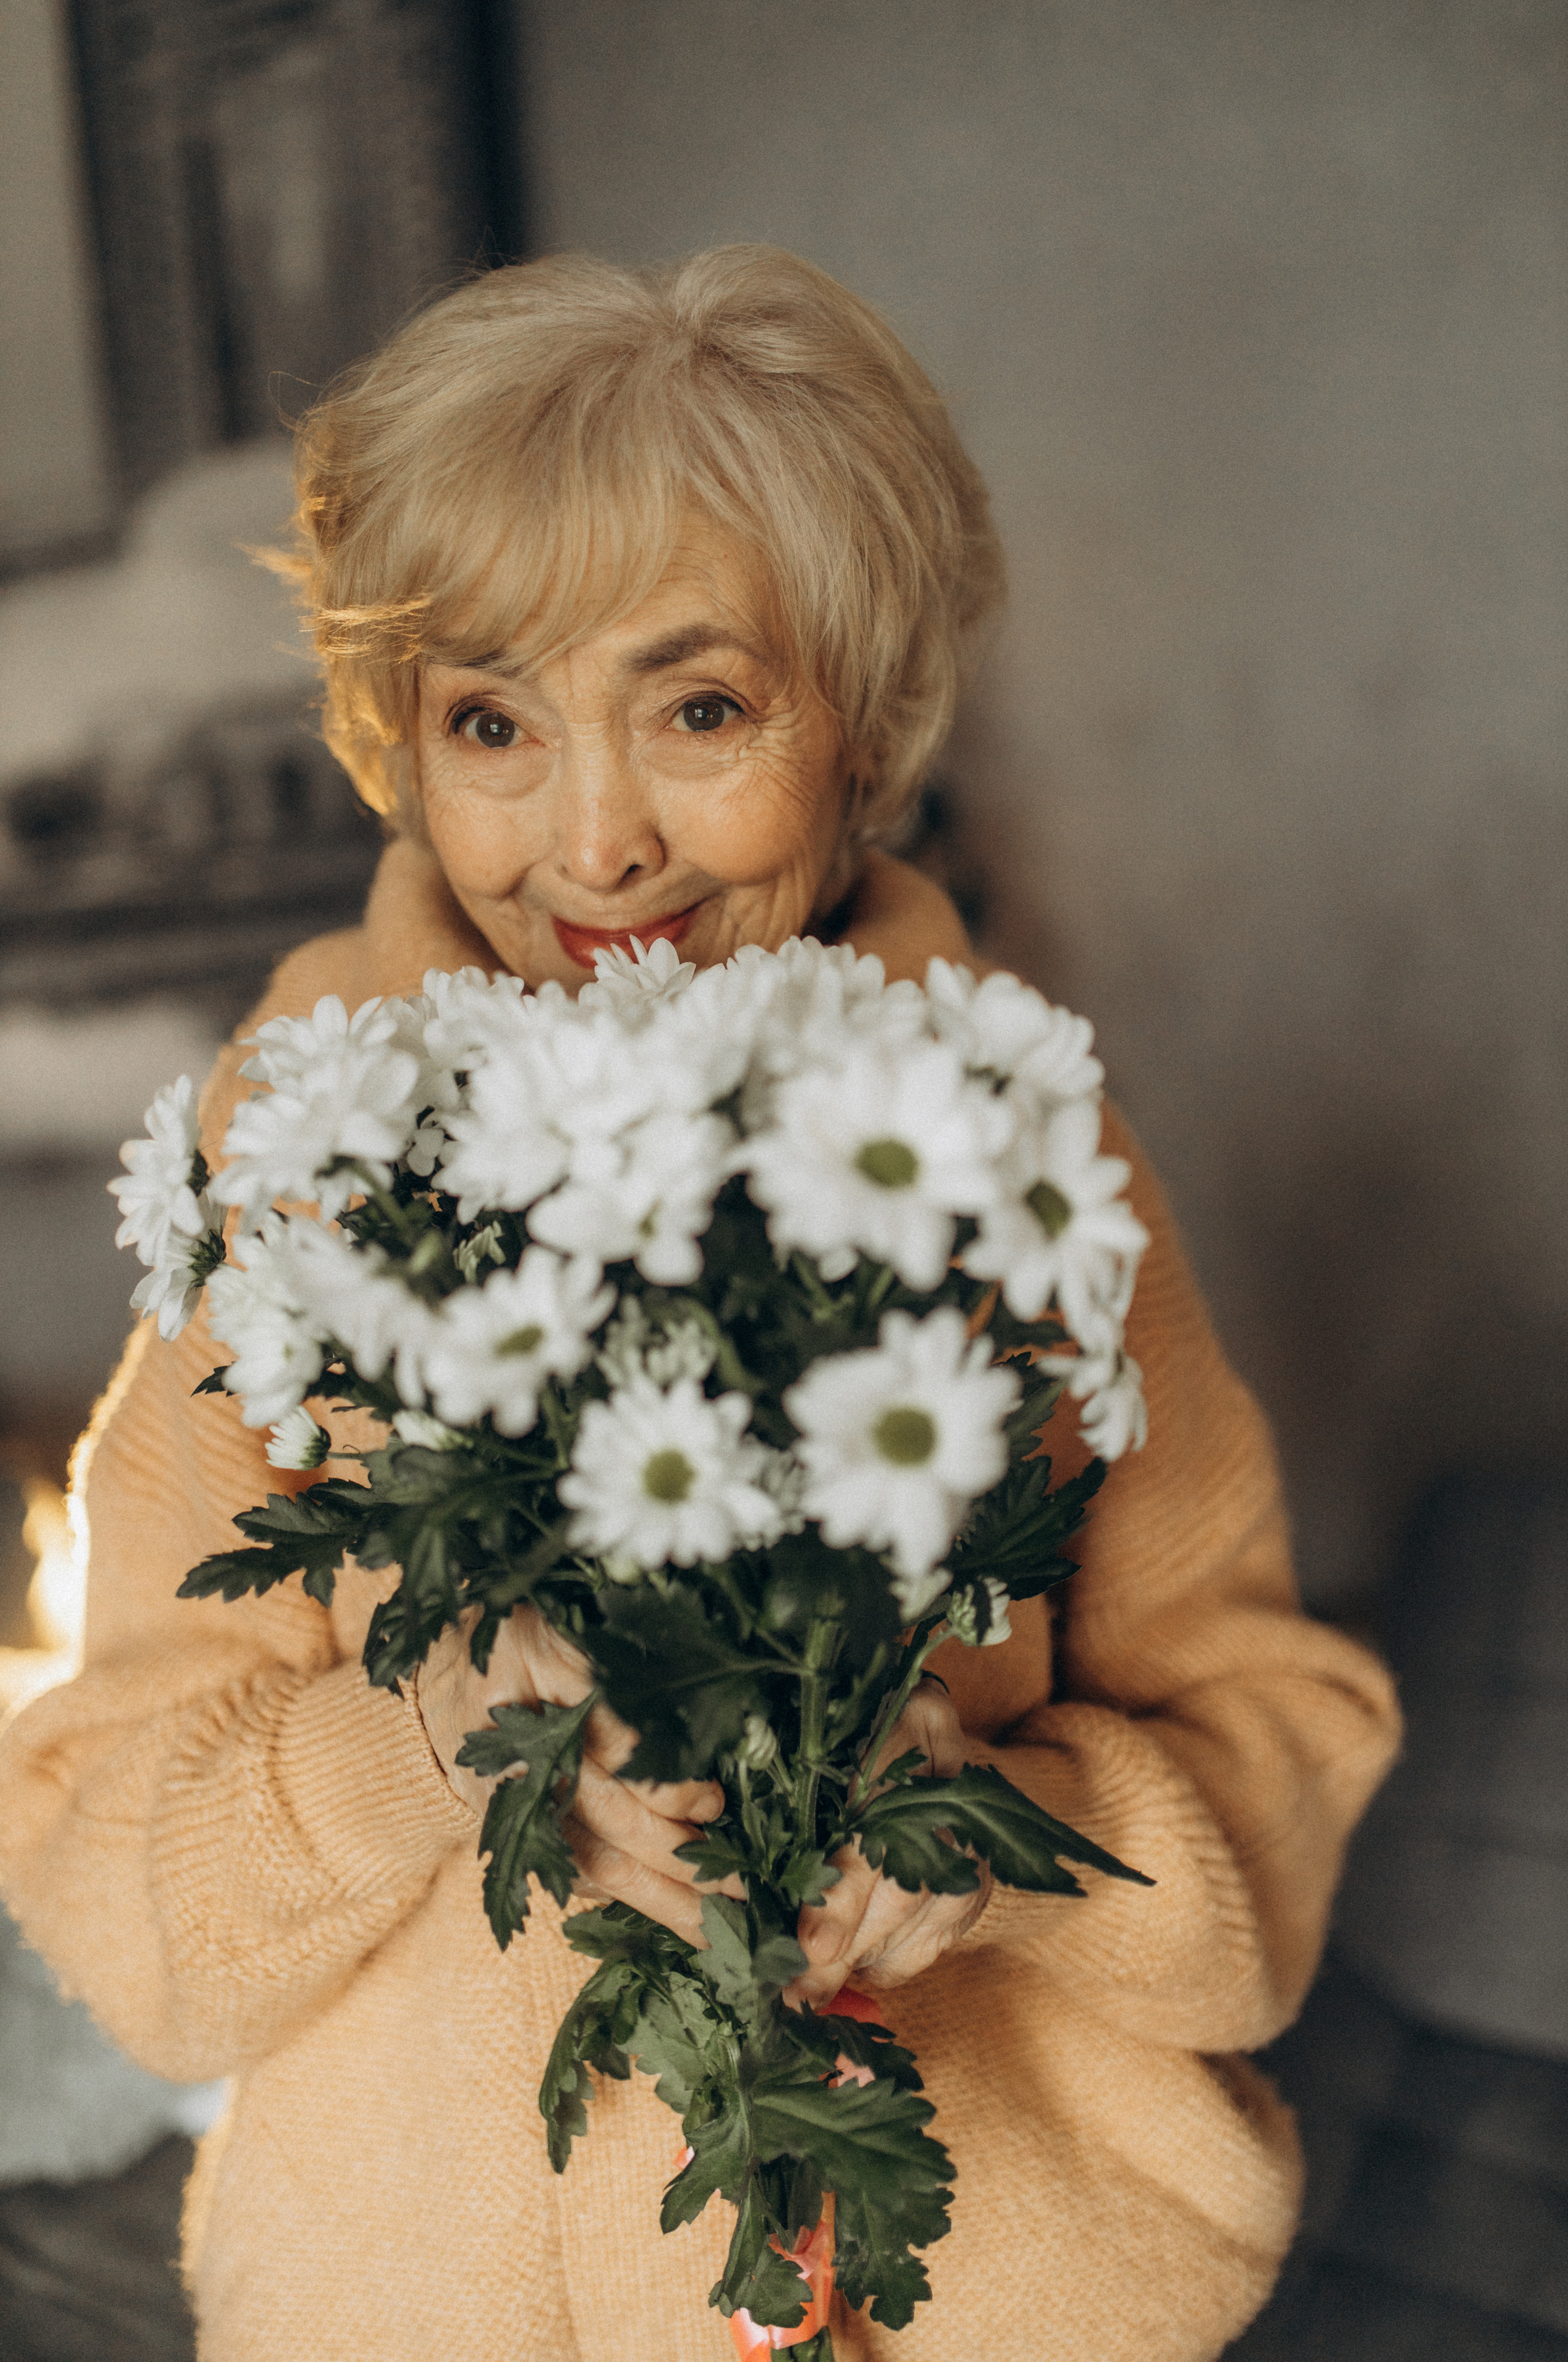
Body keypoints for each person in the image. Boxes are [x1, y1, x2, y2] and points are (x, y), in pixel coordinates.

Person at [0, 247, 1399, 2362]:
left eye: (702, 708)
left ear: (871, 730)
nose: (594, 840)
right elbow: (129, 1914)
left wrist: (1004, 1832)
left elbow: (1276, 1764)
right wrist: (425, 1741)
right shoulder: (279, 1167)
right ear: (400, 737)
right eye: (492, 717)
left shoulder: (1024, 1157)